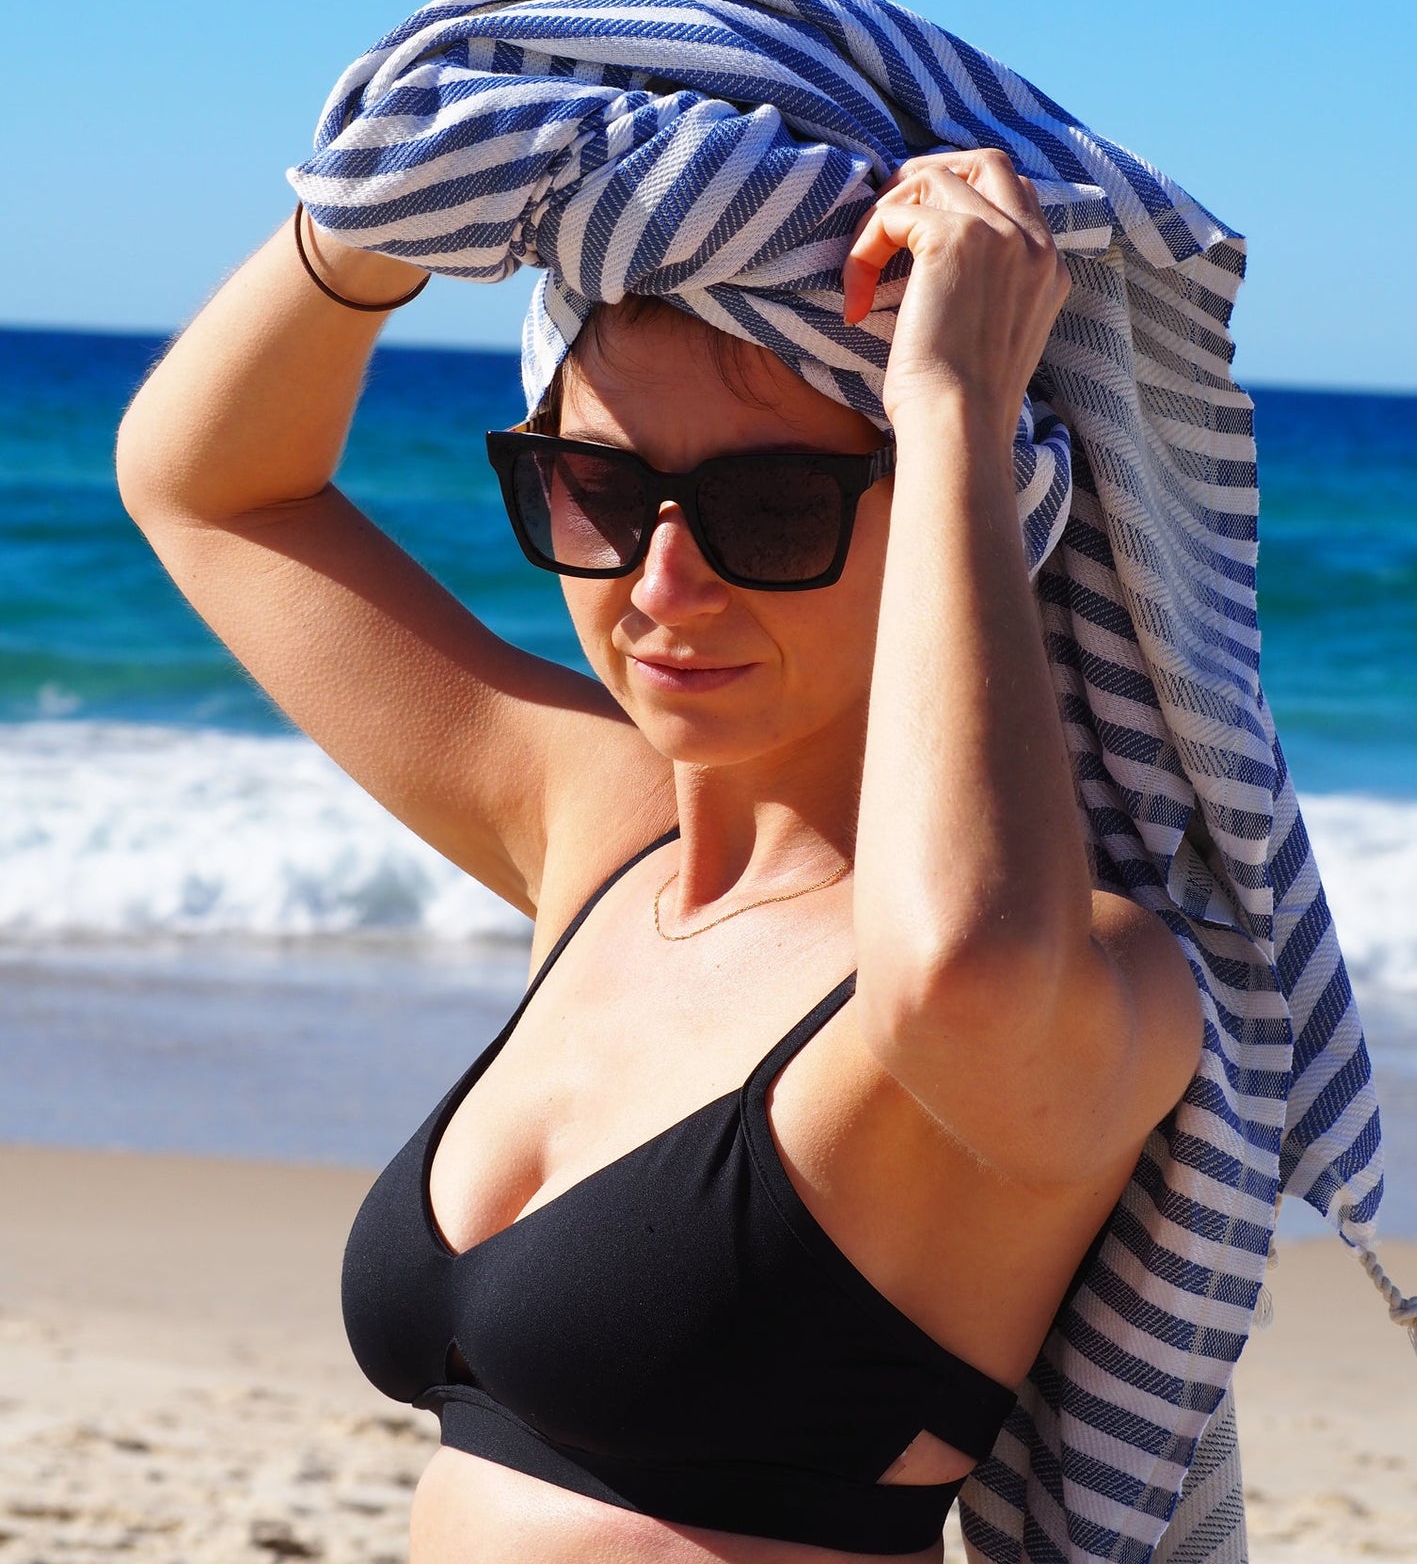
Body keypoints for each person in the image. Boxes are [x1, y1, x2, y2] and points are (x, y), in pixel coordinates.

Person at [116, 142, 1204, 1563]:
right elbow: (210, 492)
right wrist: (374, 220)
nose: (661, 585)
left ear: (970, 508)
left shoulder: (1089, 972)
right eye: (601, 495)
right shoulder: (598, 824)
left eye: (773, 509)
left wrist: (949, 404)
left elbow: (955, 979)